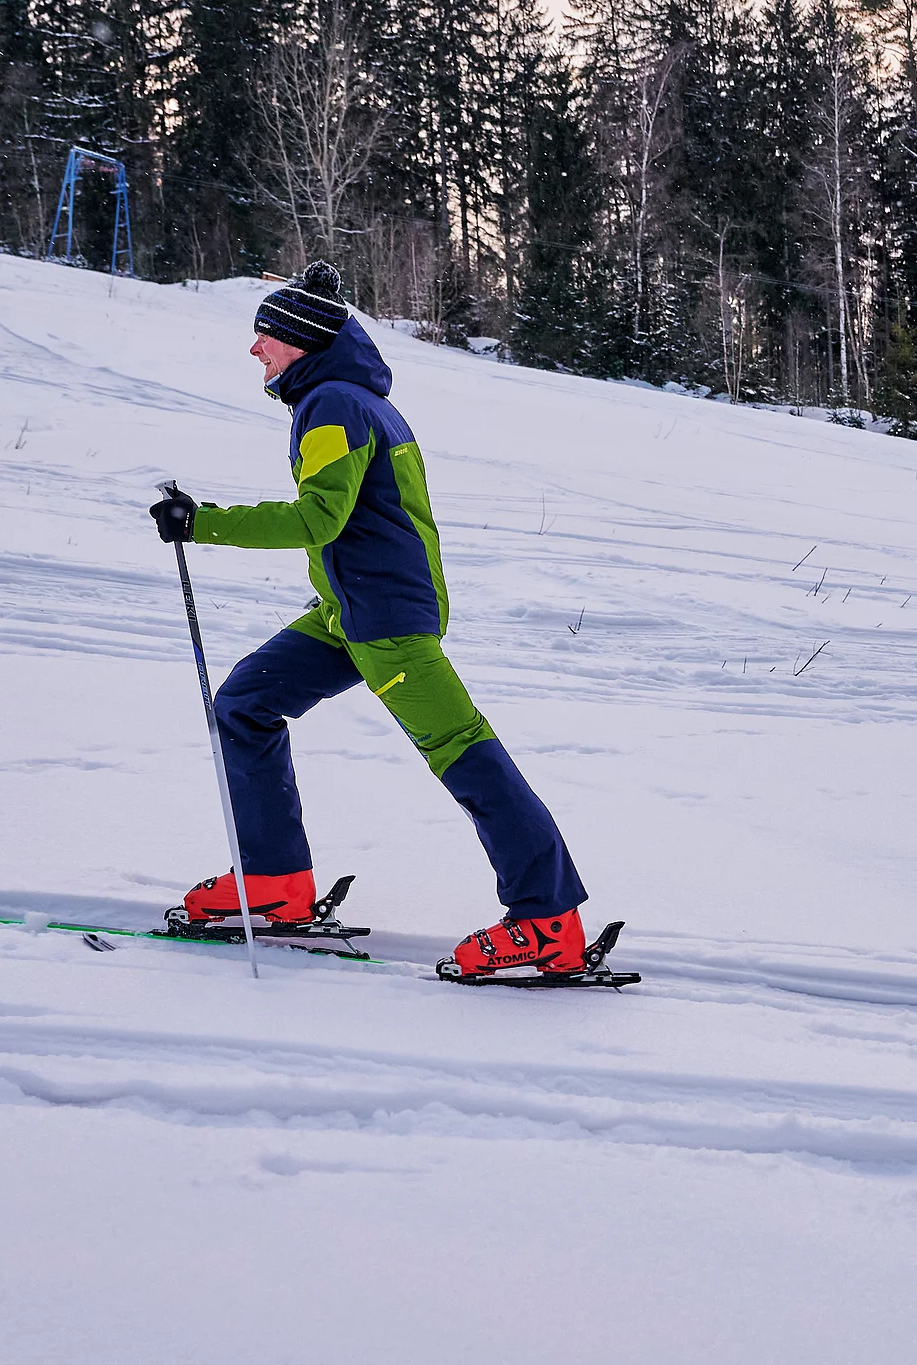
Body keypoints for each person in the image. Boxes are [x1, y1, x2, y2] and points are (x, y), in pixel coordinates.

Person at [147, 263, 591, 978]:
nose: (254, 349)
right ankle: (273, 885)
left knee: (463, 751)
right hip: (344, 613)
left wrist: (204, 524)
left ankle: (547, 921)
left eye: (266, 335)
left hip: (384, 620)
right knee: (246, 702)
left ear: (301, 341)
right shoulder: (339, 399)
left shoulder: (334, 405)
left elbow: (318, 517)